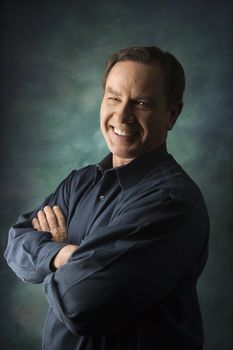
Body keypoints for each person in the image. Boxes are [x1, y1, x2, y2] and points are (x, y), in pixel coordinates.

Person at [4, 46, 209, 350]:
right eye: (114, 98)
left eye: (141, 103)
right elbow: (15, 244)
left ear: (172, 113)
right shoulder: (81, 181)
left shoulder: (170, 203)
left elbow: (81, 303)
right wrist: (64, 256)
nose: (122, 115)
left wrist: (51, 254)